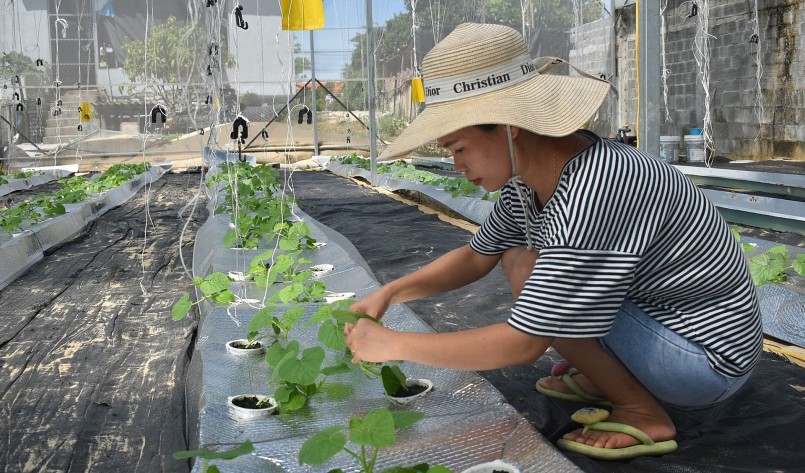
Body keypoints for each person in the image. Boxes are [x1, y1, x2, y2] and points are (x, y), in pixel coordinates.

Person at [344, 23, 762, 461]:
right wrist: (390, 293)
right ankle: (609, 375)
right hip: (664, 324)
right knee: (518, 258)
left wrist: (394, 344)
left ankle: (642, 410)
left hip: (705, 360)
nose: (457, 165)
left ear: (508, 126)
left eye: (460, 148)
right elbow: (476, 255)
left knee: (529, 270)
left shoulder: (597, 186)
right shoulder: (529, 180)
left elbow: (523, 342)